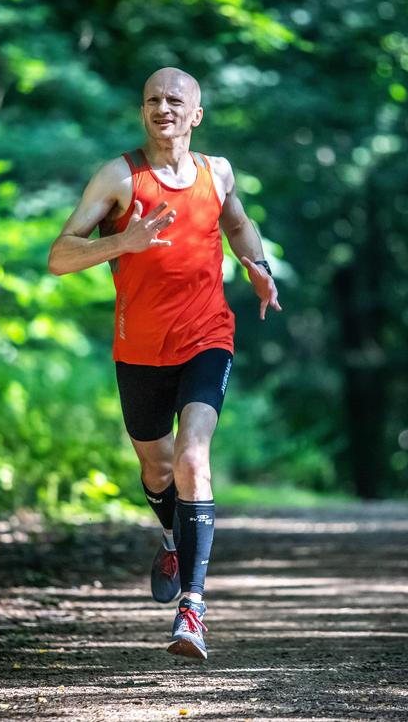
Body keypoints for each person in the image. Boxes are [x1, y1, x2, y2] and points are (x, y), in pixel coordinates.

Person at [48, 67, 281, 660]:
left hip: (208, 336)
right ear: (142, 110)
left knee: (192, 455)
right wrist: (118, 244)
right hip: (139, 349)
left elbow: (237, 222)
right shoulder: (120, 177)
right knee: (156, 469)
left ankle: (192, 611)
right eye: (152, 98)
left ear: (196, 114)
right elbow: (59, 255)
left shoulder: (216, 171)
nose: (163, 108)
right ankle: (172, 537)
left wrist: (257, 268)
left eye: (176, 100)